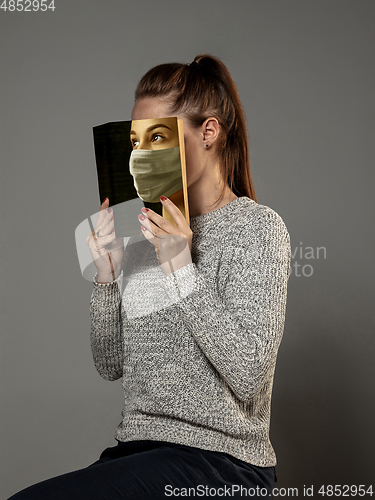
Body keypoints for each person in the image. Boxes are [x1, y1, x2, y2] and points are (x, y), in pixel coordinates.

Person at [8, 54, 291, 499]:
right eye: (135, 142)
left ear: (209, 132)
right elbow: (111, 365)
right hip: (136, 452)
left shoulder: (257, 229)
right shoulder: (145, 240)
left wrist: (180, 267)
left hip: (222, 463)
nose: (140, 156)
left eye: (157, 137)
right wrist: (105, 278)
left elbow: (248, 373)